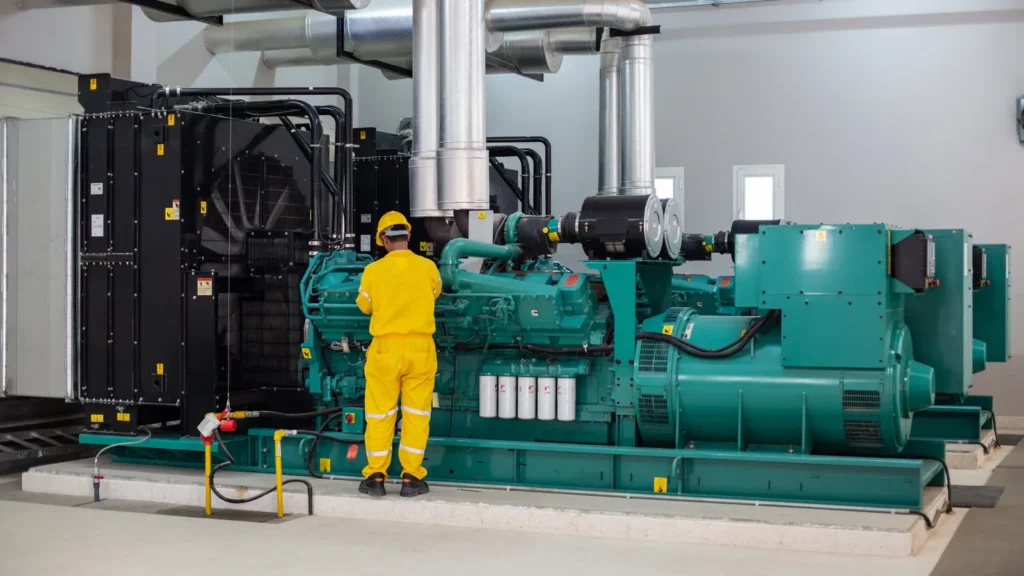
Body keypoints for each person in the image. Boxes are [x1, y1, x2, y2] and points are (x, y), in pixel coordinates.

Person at [355, 211, 441, 498]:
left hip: (385, 349)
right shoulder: (428, 267)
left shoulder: (373, 271)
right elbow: (436, 292)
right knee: (417, 414)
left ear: (383, 239)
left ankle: (376, 477)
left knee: (380, 413)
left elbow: (364, 305)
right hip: (420, 348)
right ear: (408, 235)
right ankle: (411, 478)